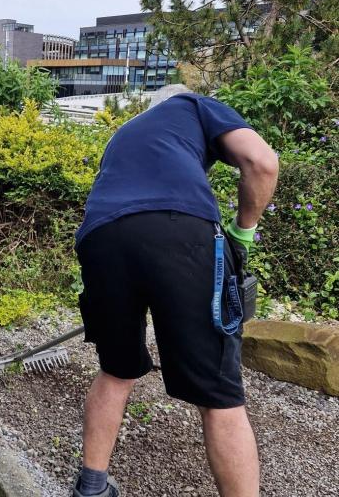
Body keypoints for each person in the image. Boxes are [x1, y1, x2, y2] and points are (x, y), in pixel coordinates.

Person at [72, 85, 279, 497]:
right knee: (219, 391)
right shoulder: (194, 105)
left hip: (99, 237)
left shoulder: (123, 134)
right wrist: (242, 233)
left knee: (116, 368)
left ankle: (90, 488)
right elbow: (262, 162)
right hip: (179, 231)